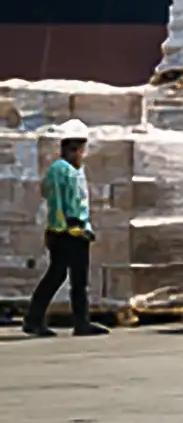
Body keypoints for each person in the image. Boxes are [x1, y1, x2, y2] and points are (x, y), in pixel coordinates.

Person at [21, 120, 106, 337]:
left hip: (78, 230)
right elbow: (56, 200)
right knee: (57, 275)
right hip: (66, 231)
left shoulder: (77, 171)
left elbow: (80, 202)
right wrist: (63, 227)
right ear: (71, 149)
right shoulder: (60, 170)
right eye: (80, 150)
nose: (82, 155)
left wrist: (86, 228)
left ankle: (80, 322)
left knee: (78, 279)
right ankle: (34, 319)